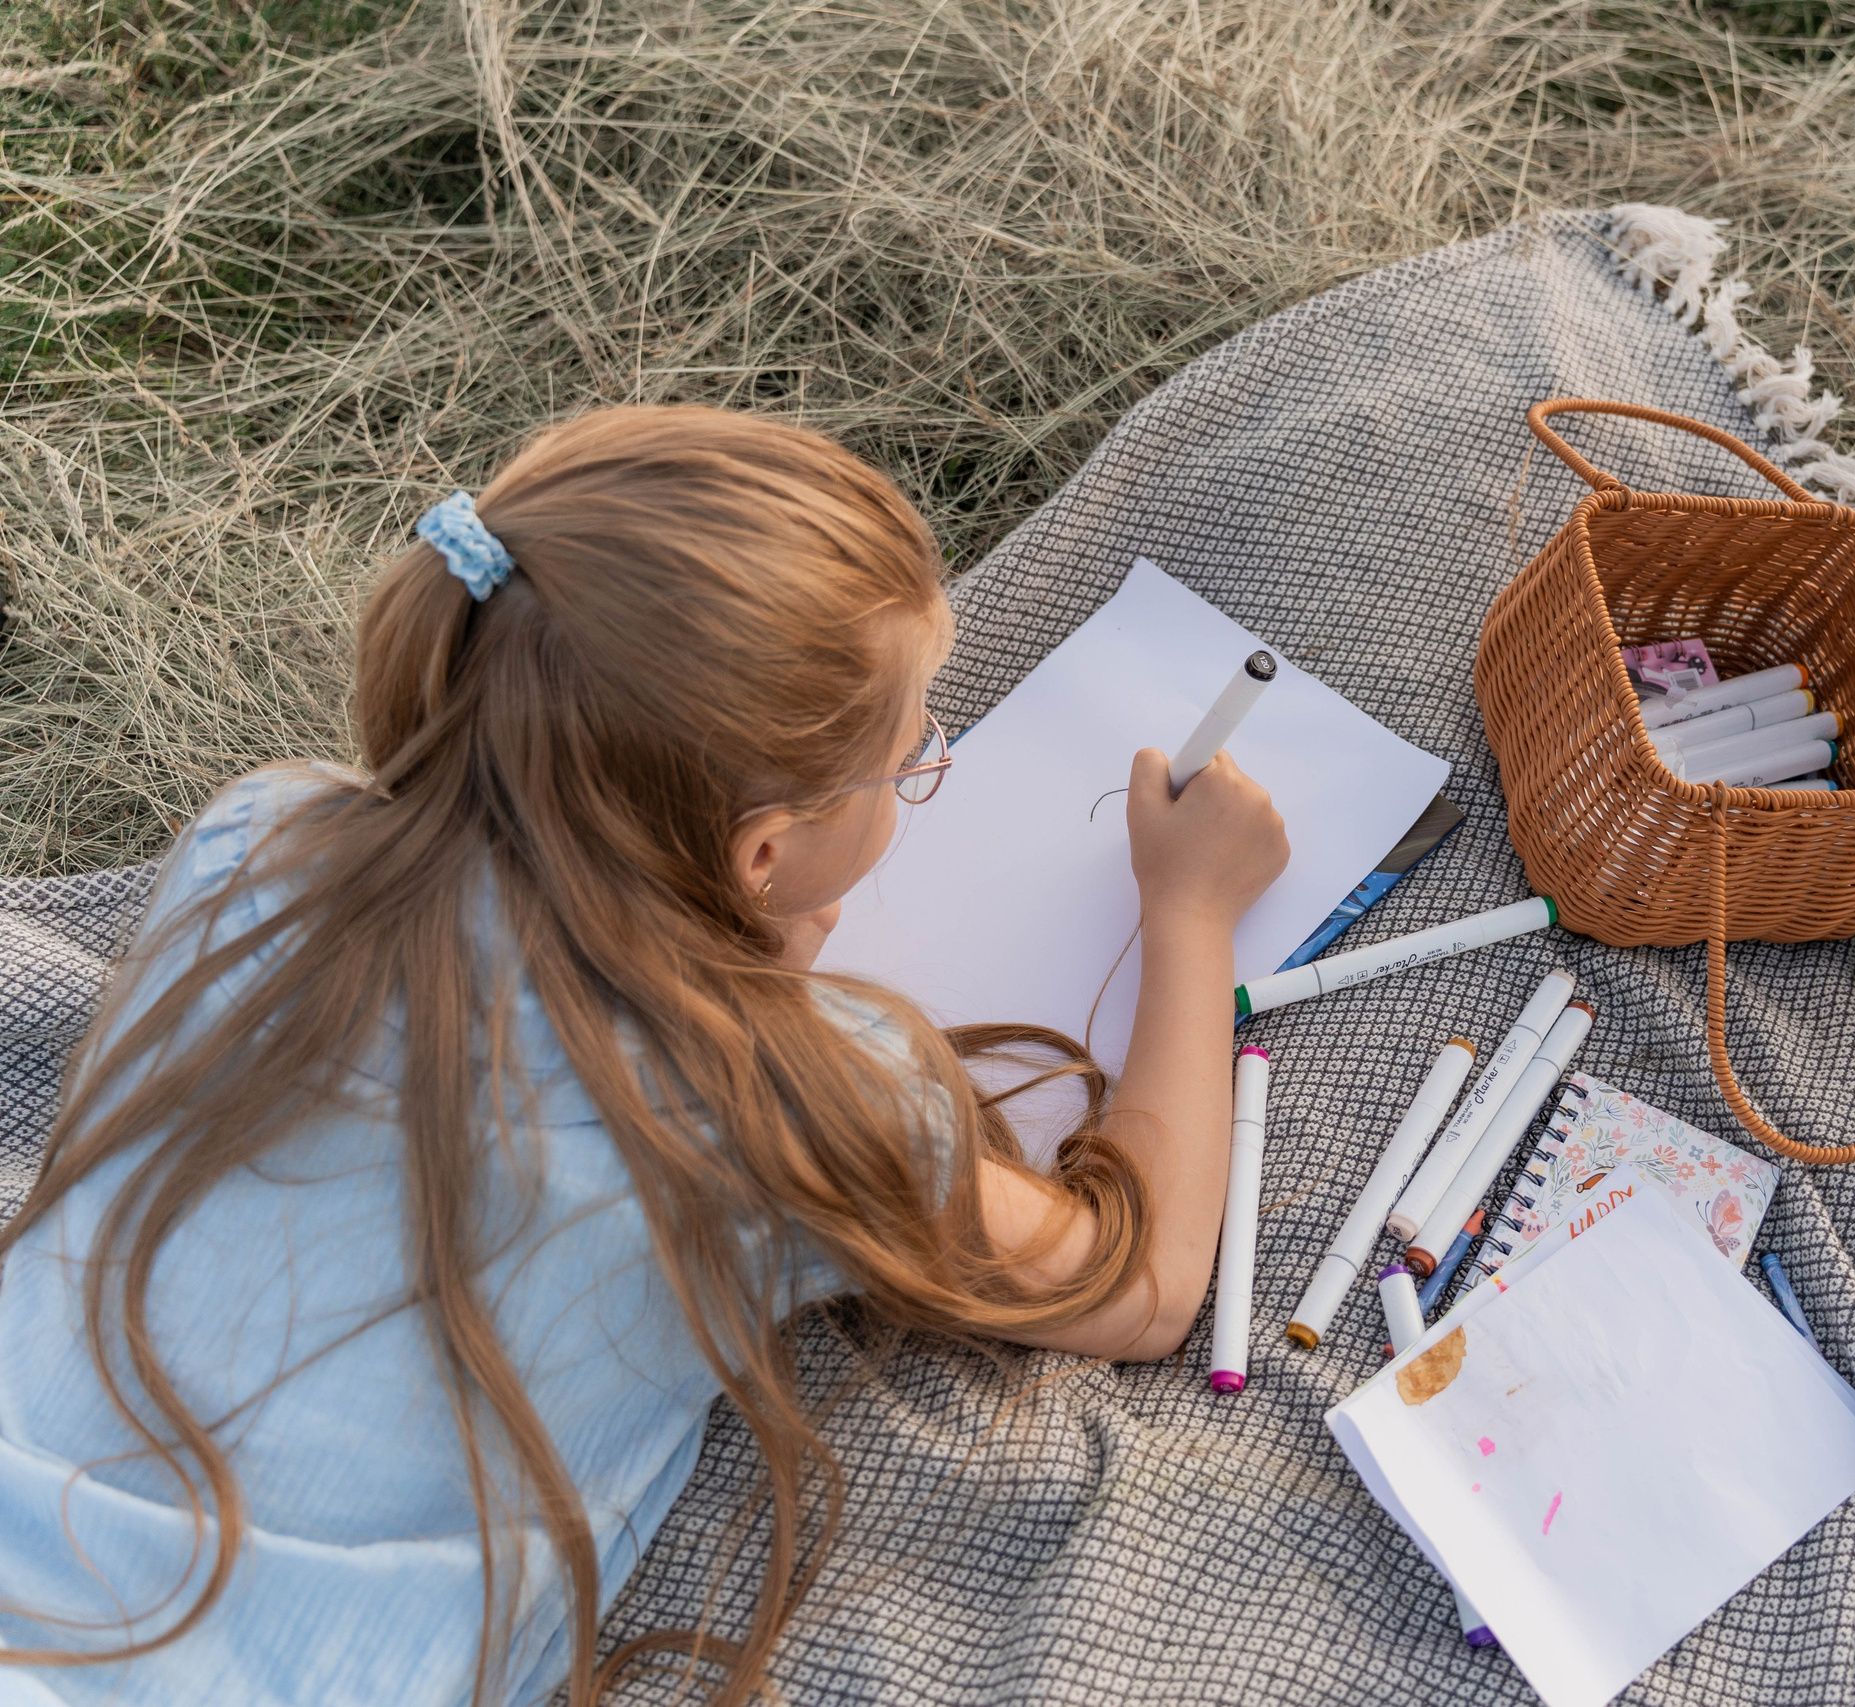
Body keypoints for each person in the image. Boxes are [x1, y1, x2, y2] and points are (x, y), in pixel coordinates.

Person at [0, 406, 1288, 1706]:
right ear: (764, 852)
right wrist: (1191, 911)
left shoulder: (254, 843)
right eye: (913, 757)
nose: (926, 760)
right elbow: (1146, 1285)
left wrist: (729, 931)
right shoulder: (776, 1094)